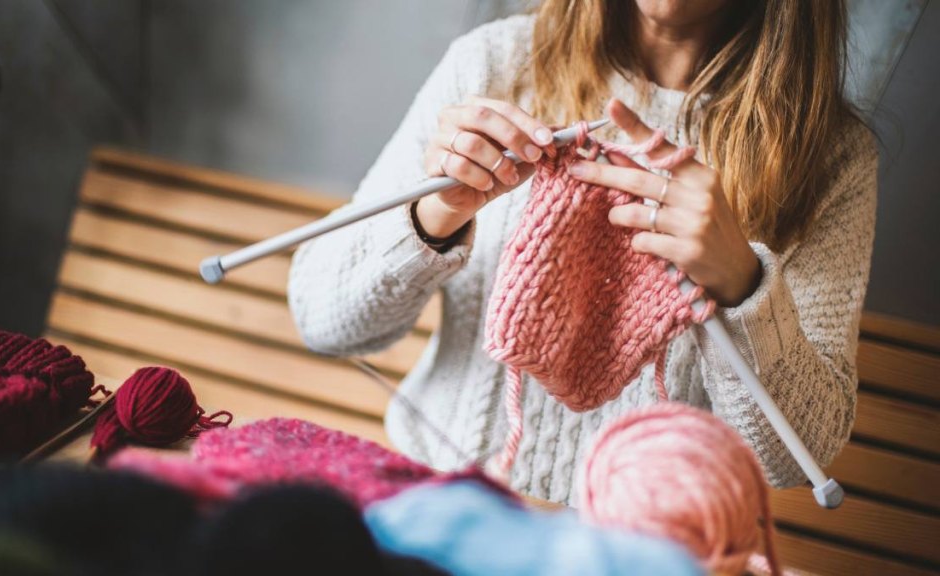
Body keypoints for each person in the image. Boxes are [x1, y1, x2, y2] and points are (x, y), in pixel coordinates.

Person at [288, 0, 876, 505]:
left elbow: (798, 458)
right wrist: (433, 216)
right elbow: (321, 320)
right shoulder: (498, 64)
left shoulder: (828, 154)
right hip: (433, 504)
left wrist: (741, 284)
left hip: (637, 551)